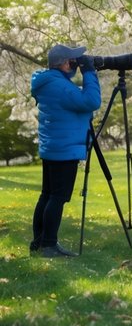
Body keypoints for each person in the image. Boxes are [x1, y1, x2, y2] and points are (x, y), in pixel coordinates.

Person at [29, 44, 101, 258]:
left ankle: (39, 243)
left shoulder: (50, 82)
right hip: (65, 150)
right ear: (63, 63)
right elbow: (91, 101)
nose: (75, 66)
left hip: (53, 147)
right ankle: (49, 245)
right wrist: (89, 73)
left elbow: (77, 102)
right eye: (73, 61)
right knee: (57, 197)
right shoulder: (60, 86)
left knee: (48, 196)